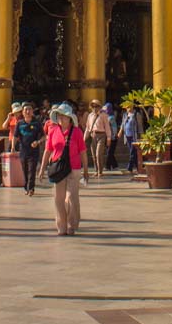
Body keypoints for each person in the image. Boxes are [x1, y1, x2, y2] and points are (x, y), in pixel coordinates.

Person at [42, 102, 85, 237]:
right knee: (58, 199)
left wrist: (87, 170)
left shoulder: (77, 132)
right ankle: (61, 226)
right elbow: (48, 150)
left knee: (71, 197)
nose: (61, 118)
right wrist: (42, 168)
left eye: (64, 116)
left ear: (69, 118)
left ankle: (72, 225)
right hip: (58, 167)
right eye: (59, 116)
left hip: (74, 167)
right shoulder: (53, 130)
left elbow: (83, 151)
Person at [14, 102, 45, 197]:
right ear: (22, 112)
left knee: (32, 170)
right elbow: (15, 136)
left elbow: (44, 136)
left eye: (29, 109)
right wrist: (12, 147)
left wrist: (38, 142)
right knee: (25, 170)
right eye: (25, 110)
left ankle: (31, 188)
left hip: (34, 151)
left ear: (32, 111)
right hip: (23, 150)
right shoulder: (19, 124)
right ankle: (26, 187)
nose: (27, 111)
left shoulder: (37, 123)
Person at [83, 101, 110, 184]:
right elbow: (88, 128)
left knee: (99, 154)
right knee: (94, 154)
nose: (95, 108)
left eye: (96, 106)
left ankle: (100, 171)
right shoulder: (90, 116)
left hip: (101, 135)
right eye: (93, 106)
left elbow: (107, 127)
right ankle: (96, 170)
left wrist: (109, 138)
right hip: (93, 135)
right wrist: (83, 139)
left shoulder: (103, 115)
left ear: (99, 107)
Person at [120, 104, 141, 173]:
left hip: (134, 136)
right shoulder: (125, 115)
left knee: (132, 152)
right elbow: (123, 124)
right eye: (127, 107)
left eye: (129, 107)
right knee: (132, 152)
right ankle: (138, 167)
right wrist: (120, 131)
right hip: (127, 136)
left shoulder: (136, 114)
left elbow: (140, 125)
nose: (128, 108)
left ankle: (129, 167)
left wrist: (141, 135)